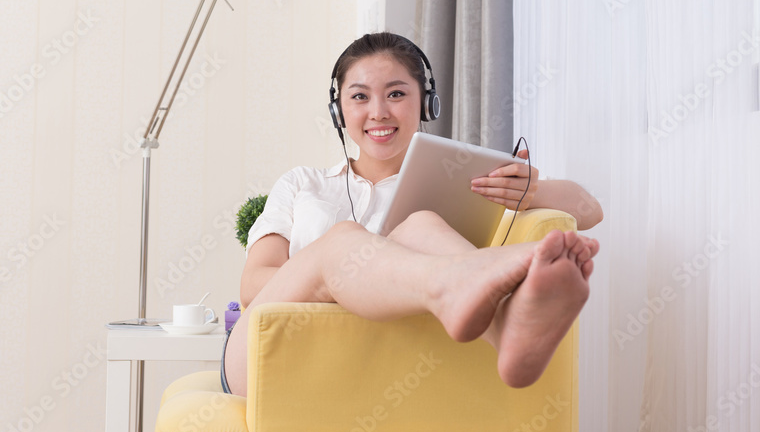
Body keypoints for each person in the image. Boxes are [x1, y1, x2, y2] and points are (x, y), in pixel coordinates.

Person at [220, 32, 602, 397]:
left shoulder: (464, 176)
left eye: (397, 94)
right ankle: (475, 277)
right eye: (359, 97)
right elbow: (253, 285)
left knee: (422, 225)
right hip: (269, 353)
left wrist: (531, 190)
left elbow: (589, 209)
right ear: (339, 111)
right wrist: (351, 272)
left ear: (426, 102)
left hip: (388, 363)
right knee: (343, 240)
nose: (379, 112)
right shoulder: (303, 183)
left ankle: (506, 329)